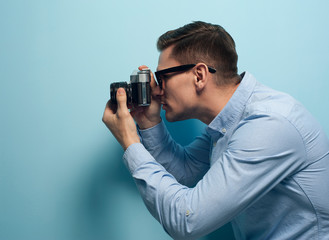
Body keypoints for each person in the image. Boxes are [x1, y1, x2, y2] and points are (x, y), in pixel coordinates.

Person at [102, 21, 329, 240]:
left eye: (162, 78)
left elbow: (187, 222)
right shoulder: (228, 122)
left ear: (199, 75)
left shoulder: (268, 124)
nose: (158, 91)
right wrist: (148, 122)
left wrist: (131, 143)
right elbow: (186, 172)